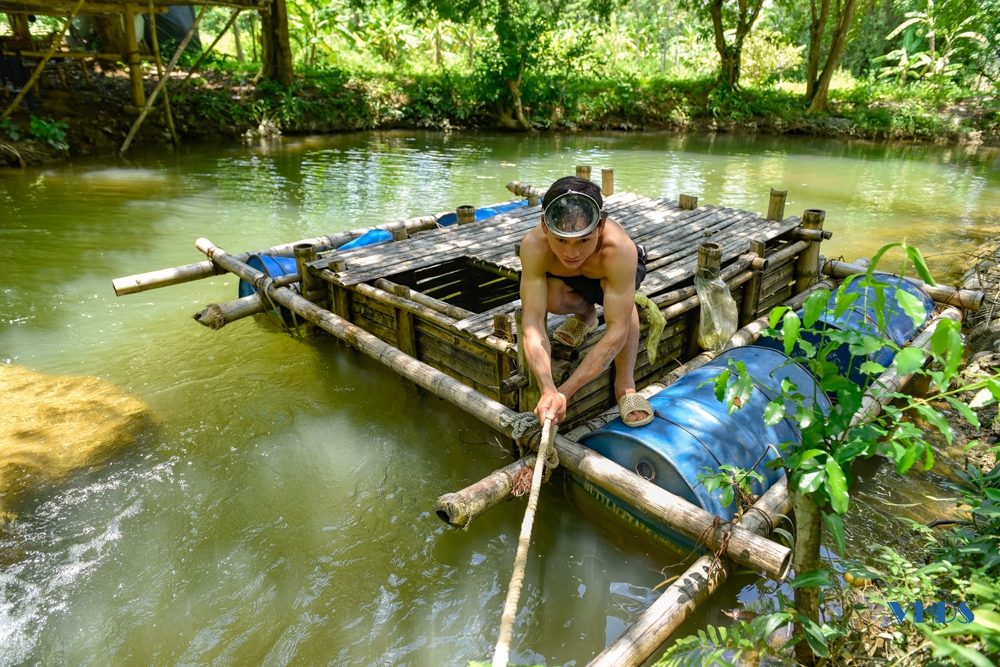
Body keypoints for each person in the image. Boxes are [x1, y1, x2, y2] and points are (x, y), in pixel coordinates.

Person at [519, 176, 655, 428]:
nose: (571, 253)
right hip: (568, 279)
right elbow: (532, 322)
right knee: (549, 295)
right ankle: (587, 315)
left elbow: (616, 333)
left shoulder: (619, 250)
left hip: (607, 274)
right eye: (561, 240)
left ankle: (625, 384)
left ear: (601, 226)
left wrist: (564, 392)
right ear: (546, 227)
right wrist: (548, 387)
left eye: (583, 240)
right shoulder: (534, 246)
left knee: (626, 314)